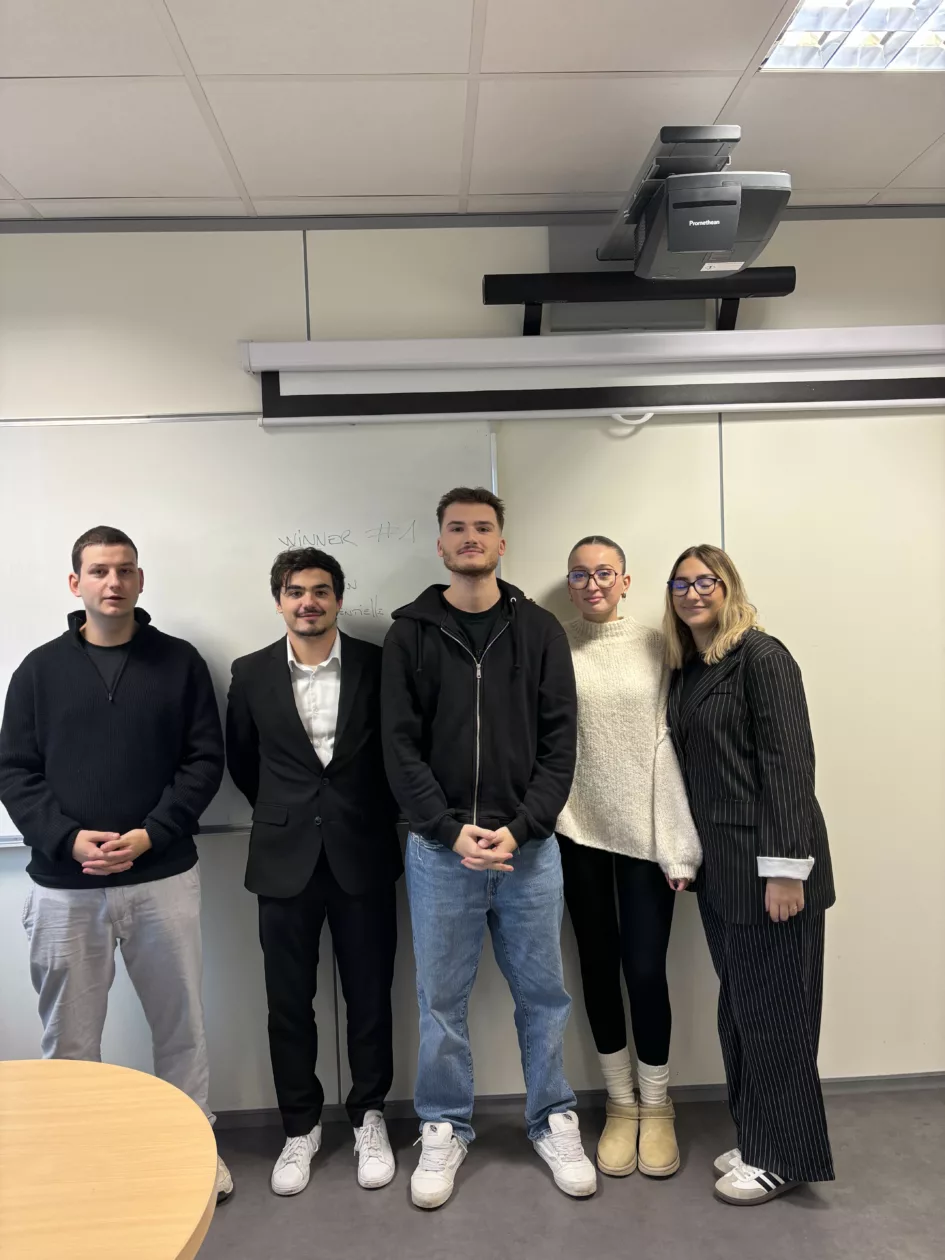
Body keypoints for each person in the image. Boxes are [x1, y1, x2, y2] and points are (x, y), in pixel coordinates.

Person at [0, 526, 232, 1202]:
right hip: (64, 888)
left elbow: (203, 761)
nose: (113, 582)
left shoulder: (180, 662)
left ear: (140, 580)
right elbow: (14, 771)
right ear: (75, 583)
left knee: (181, 1029)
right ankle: (79, 1166)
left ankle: (195, 1156)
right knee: (70, 1040)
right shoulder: (38, 670)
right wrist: (67, 839)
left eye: (125, 570)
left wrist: (151, 834)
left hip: (163, 878)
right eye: (99, 571)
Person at [381, 486, 595, 1210]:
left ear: (502, 543)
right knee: (440, 1000)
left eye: (482, 527)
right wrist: (449, 830)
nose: (469, 537)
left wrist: (522, 826)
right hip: (439, 854)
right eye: (456, 528)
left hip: (527, 852)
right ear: (439, 544)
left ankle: (552, 1118)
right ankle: (443, 1125)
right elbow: (399, 747)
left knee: (543, 995)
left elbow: (561, 742)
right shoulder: (409, 634)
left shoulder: (539, 630)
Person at [664, 543, 836, 1206]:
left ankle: (783, 1157)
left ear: (729, 586)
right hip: (723, 874)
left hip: (772, 876)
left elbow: (789, 766)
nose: (693, 592)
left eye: (705, 581)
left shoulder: (762, 657)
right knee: (741, 1011)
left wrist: (786, 872)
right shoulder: (693, 668)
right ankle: (757, 1136)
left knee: (776, 1019)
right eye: (681, 583)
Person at [226, 548, 402, 1197]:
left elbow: (396, 753)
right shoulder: (249, 673)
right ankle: (300, 1127)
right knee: (287, 1004)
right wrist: (289, 814)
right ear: (279, 601)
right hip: (283, 859)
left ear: (338, 599)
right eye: (296, 591)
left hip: (363, 852)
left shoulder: (377, 665)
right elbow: (243, 760)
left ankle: (369, 1116)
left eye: (321, 591)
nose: (308, 602)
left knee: (370, 998)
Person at [557, 535, 702, 1181]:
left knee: (644, 969)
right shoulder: (553, 645)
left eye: (604, 573)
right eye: (580, 574)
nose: (592, 584)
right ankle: (620, 1103)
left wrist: (677, 842)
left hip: (645, 835)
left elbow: (669, 742)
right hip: (574, 828)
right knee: (596, 965)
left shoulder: (656, 644)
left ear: (625, 581)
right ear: (569, 582)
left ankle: (657, 1104)